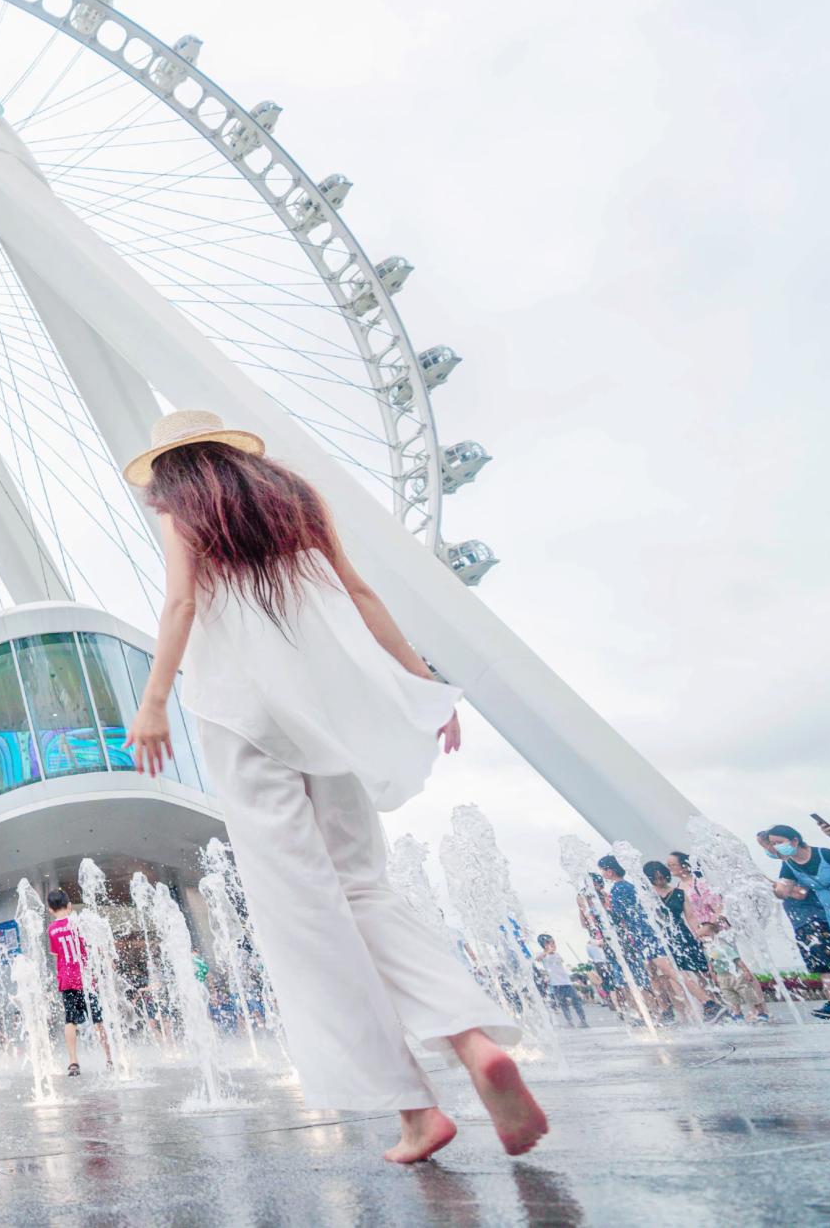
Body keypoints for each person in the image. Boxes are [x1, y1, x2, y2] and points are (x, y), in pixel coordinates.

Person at [120, 409, 545, 1163]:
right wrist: (425, 685)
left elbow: (181, 603)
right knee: (364, 886)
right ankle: (473, 1041)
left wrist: (152, 703)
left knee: (304, 908)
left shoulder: (184, 511)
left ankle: (416, 1110)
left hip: (242, 721)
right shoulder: (296, 498)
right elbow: (360, 594)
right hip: (325, 716)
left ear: (171, 469)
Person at [759, 825, 830, 1018]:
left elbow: (800, 893)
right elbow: (783, 891)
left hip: (819, 914)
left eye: (779, 842)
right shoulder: (789, 866)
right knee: (824, 963)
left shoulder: (824, 854)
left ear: (794, 840)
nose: (775, 847)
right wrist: (765, 884)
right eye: (772, 843)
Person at [597, 857, 676, 1021]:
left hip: (642, 936)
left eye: (602, 870)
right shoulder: (628, 886)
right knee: (654, 975)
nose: (602, 874)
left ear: (610, 872)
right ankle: (666, 1009)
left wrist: (607, 908)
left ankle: (703, 1001)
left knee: (665, 972)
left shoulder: (618, 889)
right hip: (643, 934)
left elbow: (618, 917)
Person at [46, 888, 112, 1075]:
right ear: (69, 906)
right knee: (97, 1019)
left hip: (67, 980)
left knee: (70, 1020)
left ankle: (73, 1062)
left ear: (50, 910)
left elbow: (56, 954)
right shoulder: (78, 922)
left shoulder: (51, 929)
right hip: (85, 978)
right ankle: (109, 1058)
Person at [643, 859, 716, 1019]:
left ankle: (712, 1004)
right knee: (674, 975)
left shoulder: (679, 893)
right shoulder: (647, 895)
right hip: (662, 937)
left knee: (699, 970)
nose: (660, 880)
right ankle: (693, 1010)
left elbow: (690, 916)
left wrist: (698, 934)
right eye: (656, 878)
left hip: (681, 934)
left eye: (662, 877)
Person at [696, 919, 768, 1023]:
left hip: (735, 974)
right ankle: (738, 1015)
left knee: (748, 993)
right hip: (722, 977)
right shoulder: (708, 950)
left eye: (705, 935)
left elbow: (737, 960)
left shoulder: (724, 947)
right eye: (700, 936)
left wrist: (746, 971)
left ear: (714, 934)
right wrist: (713, 975)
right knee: (730, 996)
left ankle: (761, 1012)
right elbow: (710, 963)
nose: (703, 938)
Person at [534, 936, 587, 1028]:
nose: (554, 945)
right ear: (545, 945)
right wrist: (547, 952)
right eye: (551, 943)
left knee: (576, 1002)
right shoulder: (543, 955)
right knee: (563, 1004)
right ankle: (570, 1022)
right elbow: (537, 959)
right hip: (556, 984)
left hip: (567, 983)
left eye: (554, 943)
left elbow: (561, 963)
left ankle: (583, 1021)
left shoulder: (557, 954)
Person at [666, 851, 723, 931]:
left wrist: (709, 927)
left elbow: (719, 908)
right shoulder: (677, 889)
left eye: (673, 865)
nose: (669, 868)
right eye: (668, 865)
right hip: (698, 933)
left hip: (715, 929)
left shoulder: (701, 884)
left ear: (685, 866)